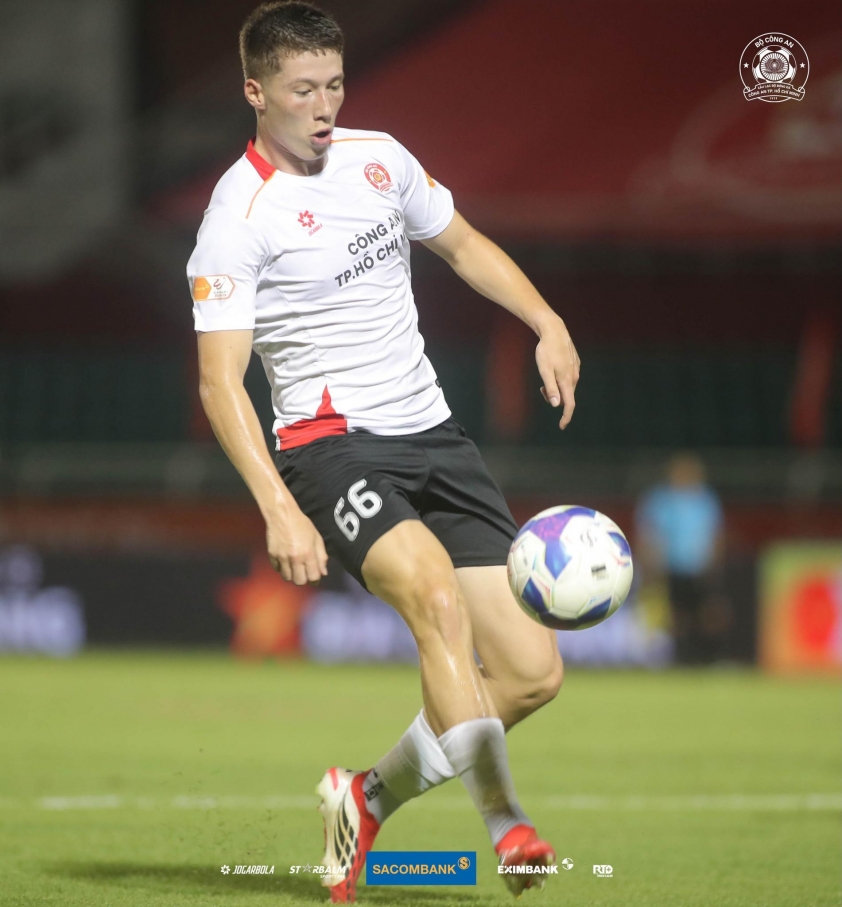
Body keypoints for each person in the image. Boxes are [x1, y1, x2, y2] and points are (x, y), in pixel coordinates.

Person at [187, 2, 580, 901]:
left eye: (334, 84)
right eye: (302, 90)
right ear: (255, 93)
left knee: (531, 673)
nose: (324, 105)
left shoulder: (382, 159)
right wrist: (278, 506)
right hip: (331, 449)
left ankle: (361, 800)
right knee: (435, 599)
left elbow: (463, 245)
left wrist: (546, 320)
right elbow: (219, 382)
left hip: (434, 433)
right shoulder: (237, 217)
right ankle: (506, 824)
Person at [635, 454, 726, 665]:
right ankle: (680, 659)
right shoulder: (660, 500)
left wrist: (715, 562)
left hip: (700, 567)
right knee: (676, 616)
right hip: (672, 567)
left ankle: (710, 658)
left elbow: (716, 533)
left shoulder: (706, 500)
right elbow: (650, 533)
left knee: (708, 614)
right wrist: (650, 563)